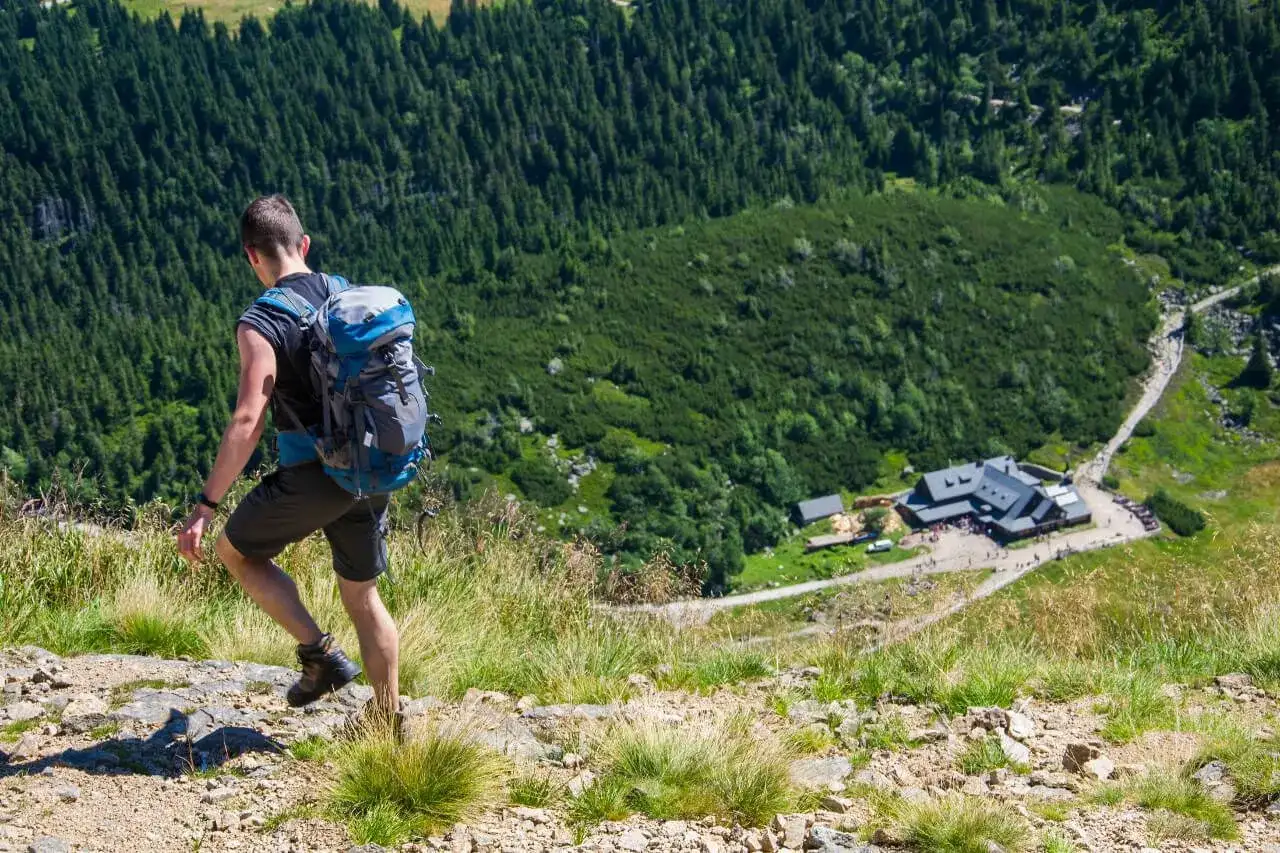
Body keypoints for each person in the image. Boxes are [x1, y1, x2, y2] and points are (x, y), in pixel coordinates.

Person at [176, 195, 400, 726]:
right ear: (304, 244)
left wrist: (206, 506)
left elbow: (247, 421)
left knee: (236, 552)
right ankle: (387, 723)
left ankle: (320, 655)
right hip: (372, 466)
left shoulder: (261, 322)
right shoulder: (344, 293)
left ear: (251, 256)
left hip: (316, 476)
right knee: (363, 596)